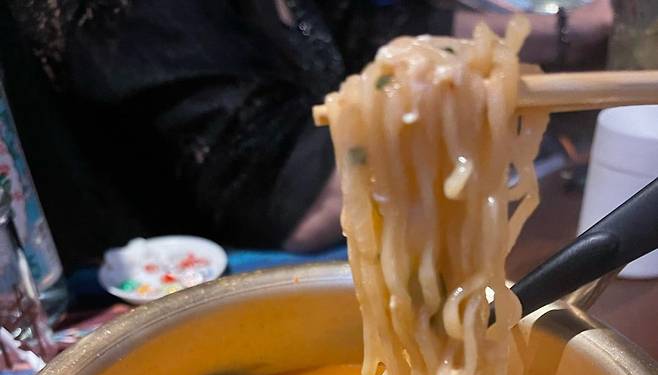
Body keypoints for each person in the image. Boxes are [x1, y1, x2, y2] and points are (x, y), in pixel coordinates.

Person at [0, 0, 611, 267]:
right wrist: (428, 103)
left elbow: (379, 29)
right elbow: (279, 199)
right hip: (201, 289)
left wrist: (569, 30)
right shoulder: (128, 15)